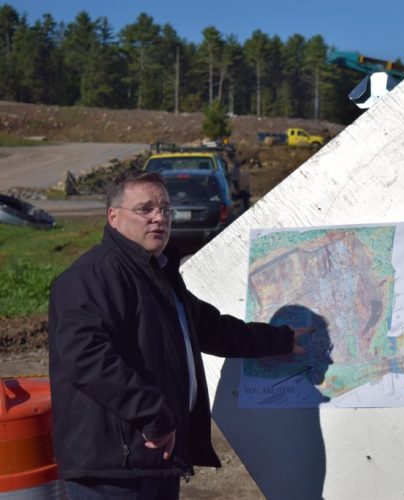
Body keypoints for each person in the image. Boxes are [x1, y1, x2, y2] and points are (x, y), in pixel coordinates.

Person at [48, 169, 309, 499]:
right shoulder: (90, 278)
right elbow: (86, 359)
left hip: (156, 457)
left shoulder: (160, 278)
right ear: (113, 217)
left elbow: (214, 329)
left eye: (165, 209)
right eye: (145, 209)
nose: (159, 218)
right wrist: (154, 416)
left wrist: (281, 340)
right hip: (113, 469)